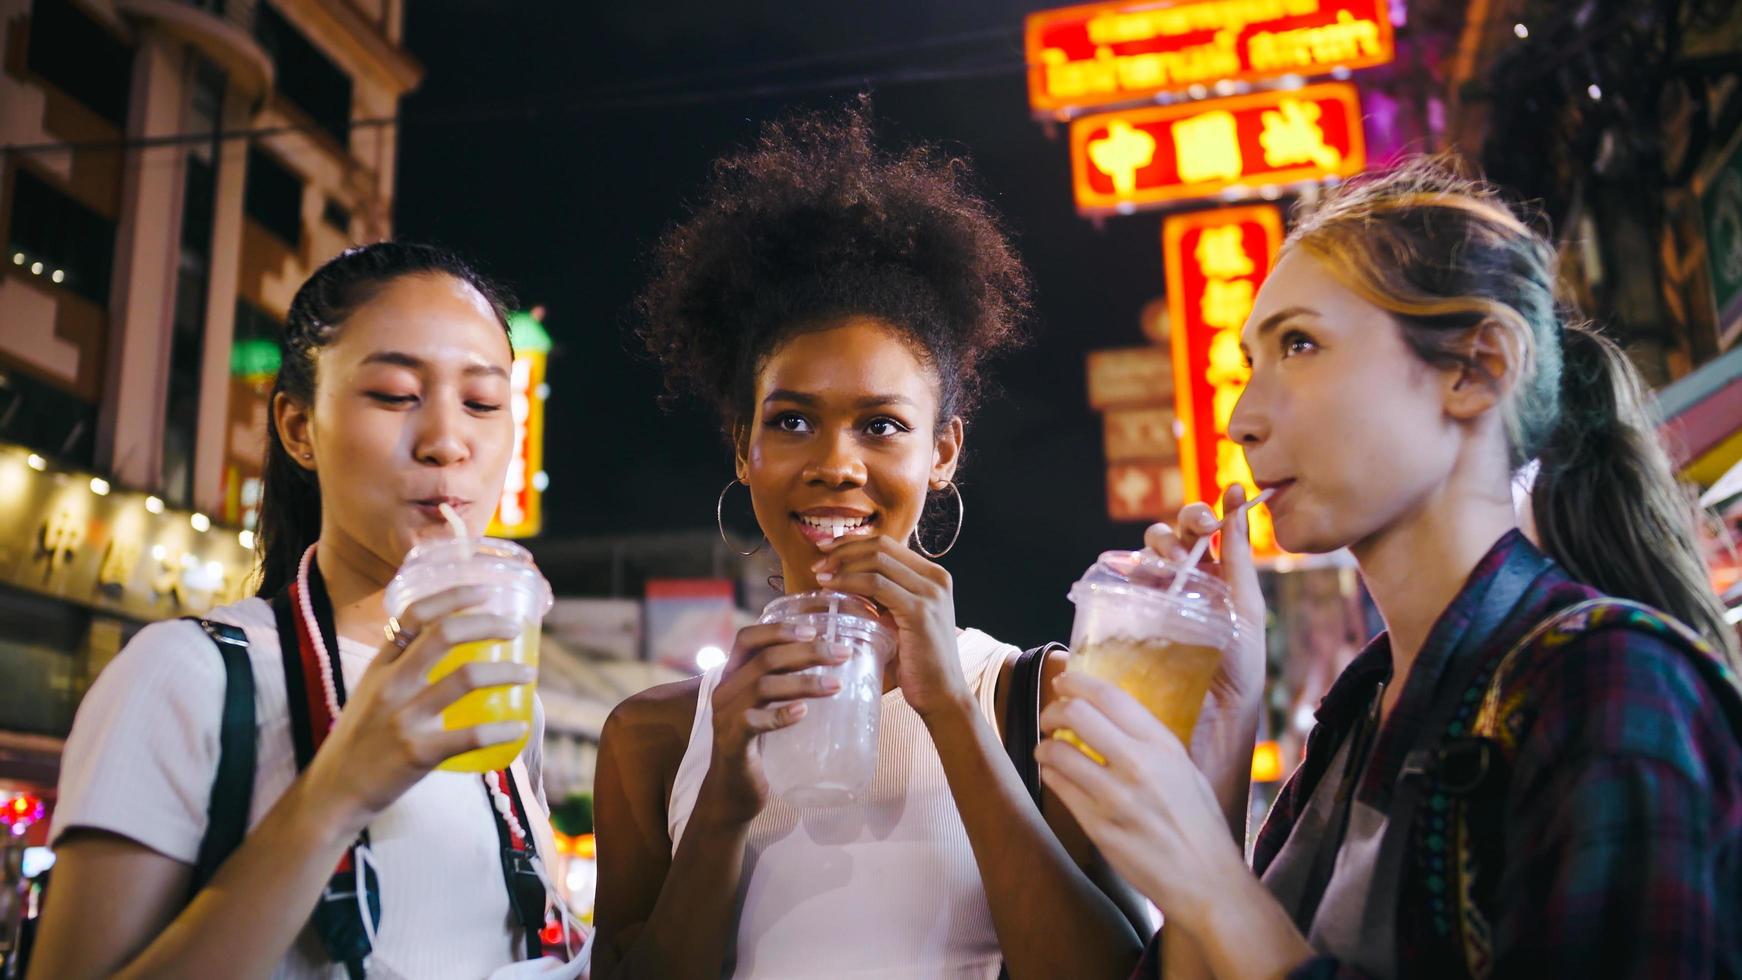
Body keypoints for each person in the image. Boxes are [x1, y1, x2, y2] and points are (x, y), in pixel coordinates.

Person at [1037, 160, 1742, 978]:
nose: (1241, 419)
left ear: (1475, 370)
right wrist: (1221, 757)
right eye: (1252, 362)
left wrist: (1215, 887)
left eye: (1299, 344)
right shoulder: (1357, 722)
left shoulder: (1612, 682)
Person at [591, 105, 1146, 980]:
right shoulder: (654, 737)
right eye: (793, 420)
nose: (834, 464)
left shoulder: (1041, 705)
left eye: (882, 425)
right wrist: (724, 806)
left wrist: (951, 717)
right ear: (745, 446)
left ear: (944, 453)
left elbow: (1117, 974)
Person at [30, 242, 569, 979]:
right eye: (393, 394)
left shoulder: (506, 704)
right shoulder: (188, 676)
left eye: (482, 403)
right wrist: (338, 790)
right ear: (296, 427)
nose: (448, 442)